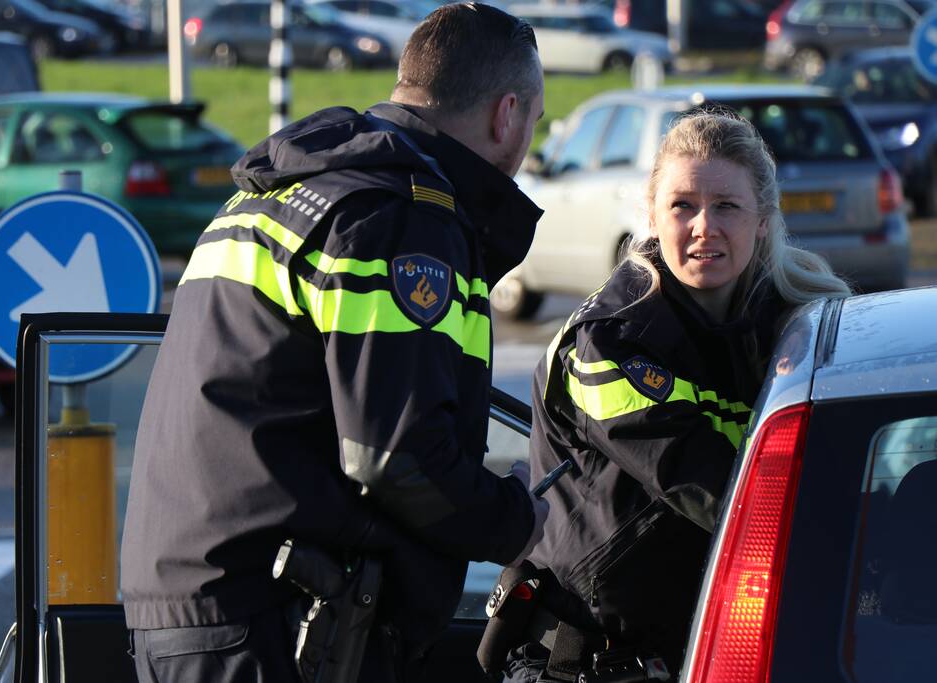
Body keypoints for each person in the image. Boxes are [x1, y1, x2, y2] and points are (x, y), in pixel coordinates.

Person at [120, 3, 549, 682]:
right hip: (278, 623)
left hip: (189, 609)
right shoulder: (399, 214)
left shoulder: (282, 188)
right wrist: (520, 520)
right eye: (533, 119)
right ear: (506, 115)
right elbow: (395, 453)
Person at [503, 110, 852, 681]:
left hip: (722, 650)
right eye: (682, 205)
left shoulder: (800, 321)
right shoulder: (606, 343)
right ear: (652, 215)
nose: (703, 227)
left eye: (727, 207)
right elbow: (711, 487)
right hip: (591, 664)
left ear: (763, 219)